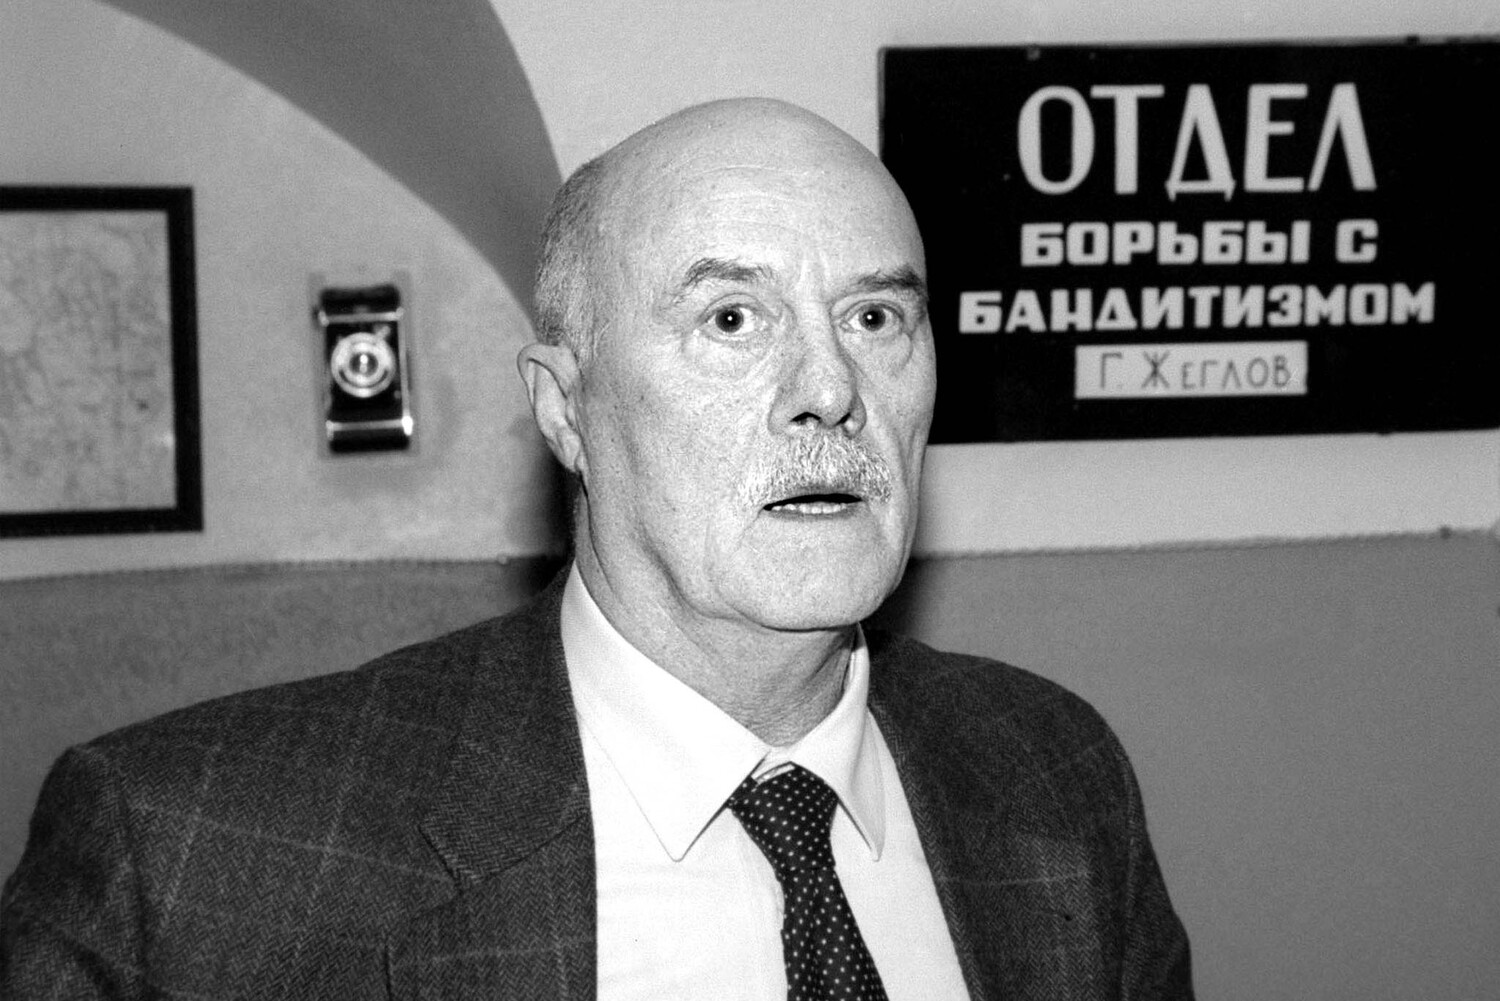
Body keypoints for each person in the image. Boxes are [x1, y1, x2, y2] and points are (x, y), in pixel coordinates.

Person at [0, 98, 1193, 1000]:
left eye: (876, 316)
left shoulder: (1052, 770)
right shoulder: (192, 860)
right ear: (566, 408)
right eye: (732, 318)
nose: (831, 388)